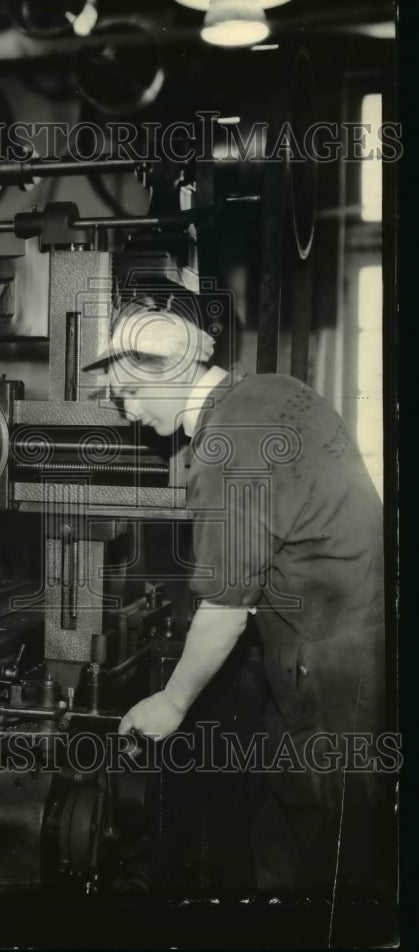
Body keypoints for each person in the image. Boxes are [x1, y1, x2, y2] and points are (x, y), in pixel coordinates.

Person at [82, 298, 390, 893]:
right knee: (304, 816)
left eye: (129, 392)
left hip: (332, 663)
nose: (127, 410)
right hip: (361, 634)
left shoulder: (226, 448)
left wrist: (170, 703)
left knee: (322, 841)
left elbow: (224, 610)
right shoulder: (272, 389)